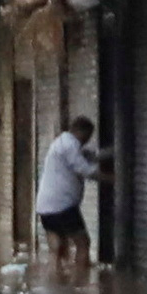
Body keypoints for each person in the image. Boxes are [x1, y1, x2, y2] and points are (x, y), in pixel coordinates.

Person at [34, 114, 97, 271]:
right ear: (81, 131)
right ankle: (80, 285)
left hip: (45, 206)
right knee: (83, 243)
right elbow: (85, 170)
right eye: (88, 136)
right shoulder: (70, 145)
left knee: (56, 250)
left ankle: (56, 285)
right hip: (63, 206)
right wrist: (112, 178)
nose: (87, 140)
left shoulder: (60, 143)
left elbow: (83, 158)